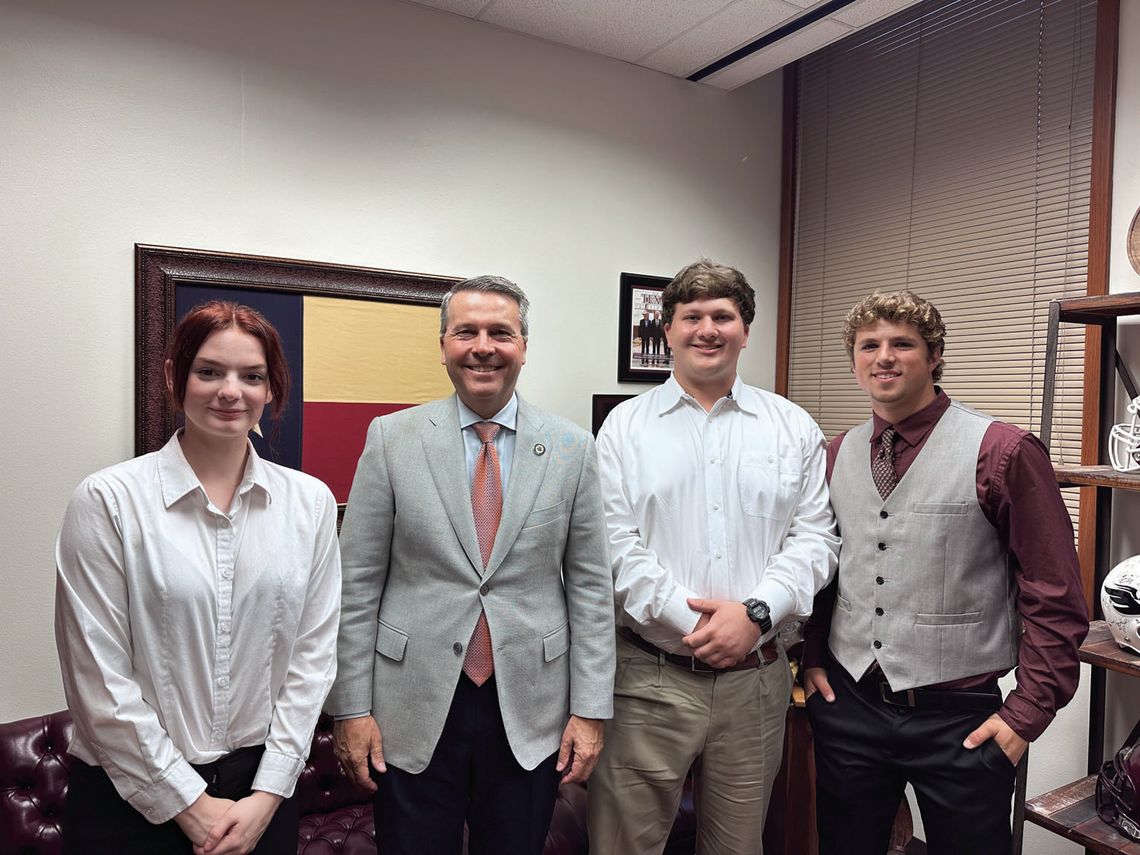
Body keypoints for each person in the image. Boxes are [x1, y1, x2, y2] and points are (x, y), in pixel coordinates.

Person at [326, 275, 616, 855]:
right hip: (410, 705)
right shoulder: (391, 439)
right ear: (443, 346)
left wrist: (589, 711)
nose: (483, 346)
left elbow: (589, 586)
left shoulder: (572, 447)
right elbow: (356, 583)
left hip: (531, 709)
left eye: (500, 333)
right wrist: (350, 708)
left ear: (524, 346)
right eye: (467, 332)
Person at [802, 290, 1089, 855]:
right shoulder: (834, 453)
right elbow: (827, 566)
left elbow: (1054, 592)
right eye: (869, 346)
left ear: (933, 355)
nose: (884, 357)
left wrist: (1025, 714)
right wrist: (812, 658)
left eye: (902, 343)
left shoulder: (1002, 452)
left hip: (961, 722)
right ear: (855, 359)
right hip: (850, 709)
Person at [55, 301, 342, 855]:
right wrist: (185, 801)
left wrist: (269, 792)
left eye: (251, 376)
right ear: (174, 377)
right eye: (208, 371)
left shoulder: (309, 503)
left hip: (260, 798)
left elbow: (313, 658)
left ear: (271, 388)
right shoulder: (109, 500)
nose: (230, 391)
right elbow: (97, 677)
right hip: (128, 796)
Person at [589, 259, 840, 854]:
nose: (708, 329)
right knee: (623, 845)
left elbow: (816, 539)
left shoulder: (792, 427)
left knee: (737, 846)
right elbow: (613, 545)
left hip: (756, 685)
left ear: (745, 330)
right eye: (692, 317)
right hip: (648, 680)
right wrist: (696, 622)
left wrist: (753, 614)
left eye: (723, 316)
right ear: (668, 331)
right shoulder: (624, 429)